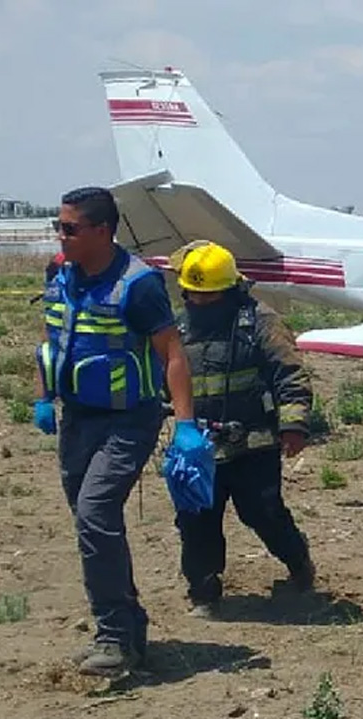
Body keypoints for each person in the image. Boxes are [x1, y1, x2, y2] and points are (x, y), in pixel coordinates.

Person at [32, 186, 205, 676]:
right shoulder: (60, 274)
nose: (60, 235)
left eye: (70, 228)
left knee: (95, 515)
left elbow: (172, 354)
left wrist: (186, 426)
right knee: (93, 525)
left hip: (129, 420)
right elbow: (53, 338)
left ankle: (113, 635)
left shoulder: (138, 285)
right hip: (78, 418)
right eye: (58, 226)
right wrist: (44, 397)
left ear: (102, 231)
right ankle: (127, 632)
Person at [165, 239, 317, 618]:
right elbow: (161, 378)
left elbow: (290, 373)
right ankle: (204, 592)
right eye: (193, 294)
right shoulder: (177, 328)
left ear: (230, 288)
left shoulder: (260, 322)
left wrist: (294, 424)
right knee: (196, 519)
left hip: (254, 443)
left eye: (209, 295)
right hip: (198, 447)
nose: (200, 302)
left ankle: (297, 560)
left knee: (263, 512)